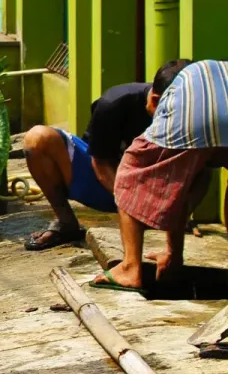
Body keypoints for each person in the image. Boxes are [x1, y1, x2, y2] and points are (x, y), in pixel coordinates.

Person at [23, 60, 193, 251]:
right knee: (37, 138)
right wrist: (132, 207)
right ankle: (65, 221)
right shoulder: (114, 103)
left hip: (153, 191)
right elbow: (100, 163)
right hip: (107, 182)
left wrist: (180, 215)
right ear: (154, 100)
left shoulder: (195, 114)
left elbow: (201, 168)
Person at [95, 60, 228, 292]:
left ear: (155, 100)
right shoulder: (211, 75)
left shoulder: (177, 95)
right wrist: (174, 254)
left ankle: (130, 268)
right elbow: (182, 188)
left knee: (130, 174)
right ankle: (174, 258)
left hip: (195, 120)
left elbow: (171, 185)